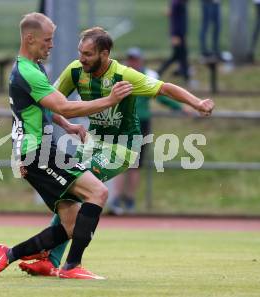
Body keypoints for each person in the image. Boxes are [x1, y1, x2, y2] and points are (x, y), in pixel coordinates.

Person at [17, 27, 214, 277]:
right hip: (93, 143)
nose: (82, 58)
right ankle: (52, 260)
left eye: (88, 54)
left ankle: (63, 261)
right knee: (69, 194)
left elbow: (164, 88)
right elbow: (51, 101)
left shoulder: (124, 75)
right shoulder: (75, 71)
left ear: (105, 53)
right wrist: (65, 123)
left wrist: (197, 103)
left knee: (81, 188)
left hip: (123, 147)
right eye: (80, 52)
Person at [0, 12, 136, 280]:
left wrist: (68, 126)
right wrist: (109, 101)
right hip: (38, 152)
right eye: (48, 40)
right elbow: (62, 105)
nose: (51, 45)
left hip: (37, 151)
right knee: (97, 193)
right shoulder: (28, 72)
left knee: (72, 224)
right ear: (30, 39)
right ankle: (71, 267)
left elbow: (46, 110)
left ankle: (8, 254)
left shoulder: (32, 68)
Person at [109, 47, 193, 215]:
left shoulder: (147, 77)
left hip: (141, 124)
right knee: (119, 163)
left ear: (141, 61)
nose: (133, 62)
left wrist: (179, 107)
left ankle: (129, 199)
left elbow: (161, 95)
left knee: (135, 164)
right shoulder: (120, 76)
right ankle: (116, 199)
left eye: (135, 59)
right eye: (130, 59)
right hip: (123, 123)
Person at [158, 0, 190, 84]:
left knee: (181, 55)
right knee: (178, 55)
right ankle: (185, 76)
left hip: (181, 33)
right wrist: (174, 35)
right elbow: (172, 16)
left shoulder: (181, 2)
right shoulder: (176, 2)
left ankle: (184, 75)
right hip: (177, 34)